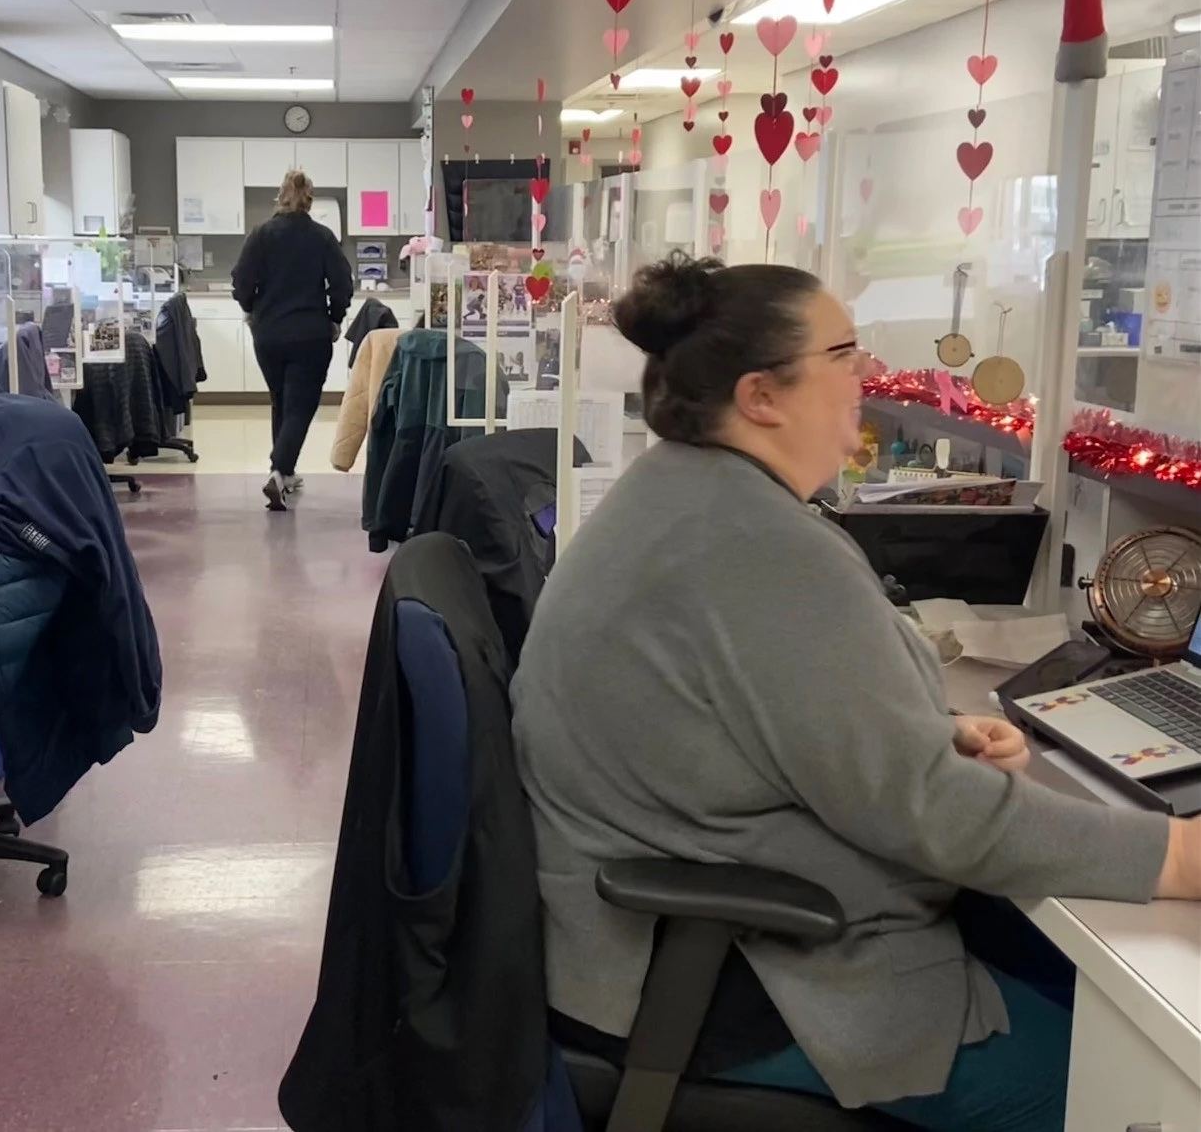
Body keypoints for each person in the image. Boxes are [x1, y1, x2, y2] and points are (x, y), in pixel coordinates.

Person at [511, 251, 1201, 1131]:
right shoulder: (752, 545)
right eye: (842, 354)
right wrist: (1176, 857)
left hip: (647, 946)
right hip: (744, 983)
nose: (864, 376)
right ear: (761, 396)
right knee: (1127, 1093)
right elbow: (938, 817)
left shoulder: (690, 499)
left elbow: (772, 714)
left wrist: (928, 730)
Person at [232, 168, 354, 511]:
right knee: (300, 406)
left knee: (282, 401)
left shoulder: (261, 234)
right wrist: (335, 317)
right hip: (310, 334)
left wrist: (251, 308)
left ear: (280, 196)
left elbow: (241, 280)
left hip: (268, 335)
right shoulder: (322, 237)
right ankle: (279, 470)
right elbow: (342, 283)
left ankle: (283, 473)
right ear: (309, 200)